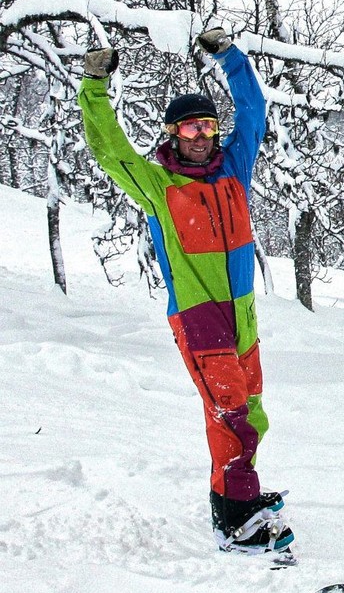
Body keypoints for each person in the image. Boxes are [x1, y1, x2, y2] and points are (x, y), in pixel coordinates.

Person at [78, 29, 293, 558]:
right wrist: (95, 85)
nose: (201, 135)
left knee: (251, 410)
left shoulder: (234, 170)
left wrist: (230, 57)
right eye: (190, 127)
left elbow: (254, 112)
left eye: (208, 125)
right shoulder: (159, 186)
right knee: (231, 412)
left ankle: (237, 493)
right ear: (172, 134)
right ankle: (235, 522)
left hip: (242, 314)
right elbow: (110, 149)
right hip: (200, 319)